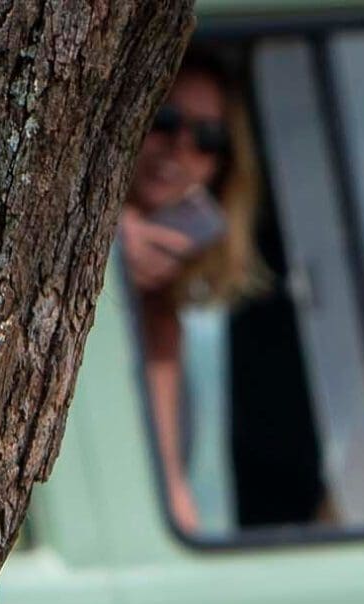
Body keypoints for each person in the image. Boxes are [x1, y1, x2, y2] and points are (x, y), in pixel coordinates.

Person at [119, 50, 266, 535]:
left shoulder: (196, 313)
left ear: (221, 167)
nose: (180, 148)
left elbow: (182, 497)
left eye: (206, 138)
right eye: (164, 119)